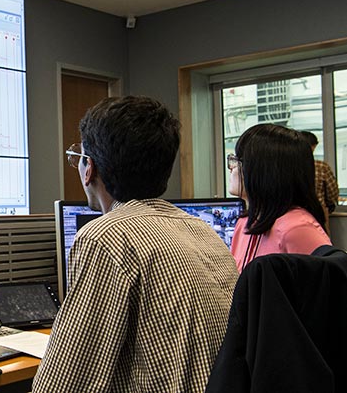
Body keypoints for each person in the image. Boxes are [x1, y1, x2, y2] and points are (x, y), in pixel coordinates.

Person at [33, 96, 238, 393]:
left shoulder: (106, 236)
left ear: (88, 168)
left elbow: (65, 382)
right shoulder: (202, 231)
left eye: (78, 158)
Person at [228, 124, 331, 272]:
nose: (231, 167)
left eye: (237, 160)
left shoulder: (296, 228)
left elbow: (324, 287)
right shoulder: (245, 223)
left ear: (262, 170)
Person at [298, 130, 339, 232]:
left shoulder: (286, 167)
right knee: (321, 243)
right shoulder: (321, 166)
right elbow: (332, 192)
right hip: (317, 211)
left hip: (293, 213)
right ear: (312, 146)